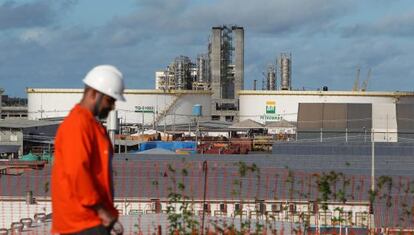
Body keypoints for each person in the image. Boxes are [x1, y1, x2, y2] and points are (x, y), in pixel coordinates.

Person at [51, 65, 125, 235]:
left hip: (90, 221)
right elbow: (77, 172)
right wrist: (101, 211)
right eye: (110, 100)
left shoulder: (90, 126)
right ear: (94, 94)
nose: (112, 106)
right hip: (81, 223)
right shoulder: (77, 126)